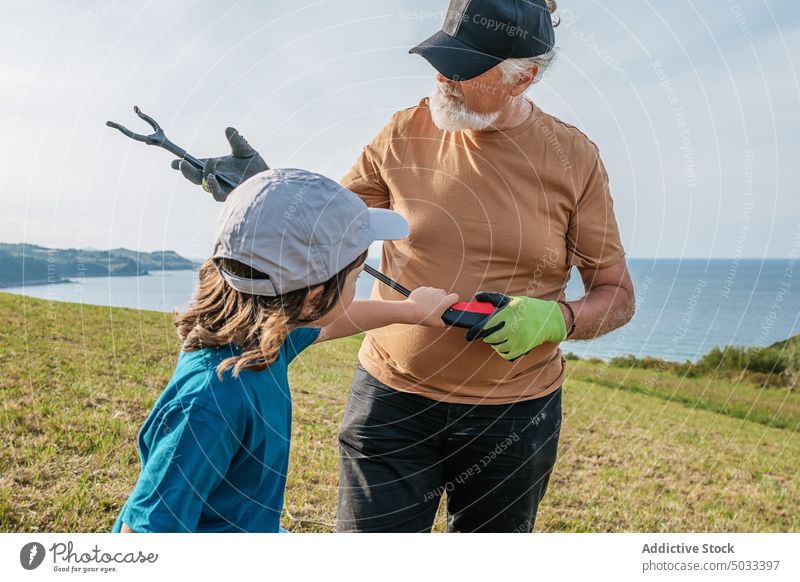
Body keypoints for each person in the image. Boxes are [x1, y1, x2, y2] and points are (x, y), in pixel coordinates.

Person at [173, 0, 635, 533]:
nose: (442, 75)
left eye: (464, 65)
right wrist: (259, 190)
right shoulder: (402, 133)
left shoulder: (575, 158)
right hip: (391, 401)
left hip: (514, 418)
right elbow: (322, 227)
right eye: (442, 56)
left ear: (522, 77)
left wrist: (560, 320)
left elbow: (615, 292)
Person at [113, 168, 457, 532]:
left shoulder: (262, 338)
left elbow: (332, 322)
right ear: (312, 299)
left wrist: (411, 311)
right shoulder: (209, 402)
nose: (357, 284)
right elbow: (144, 531)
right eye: (357, 276)